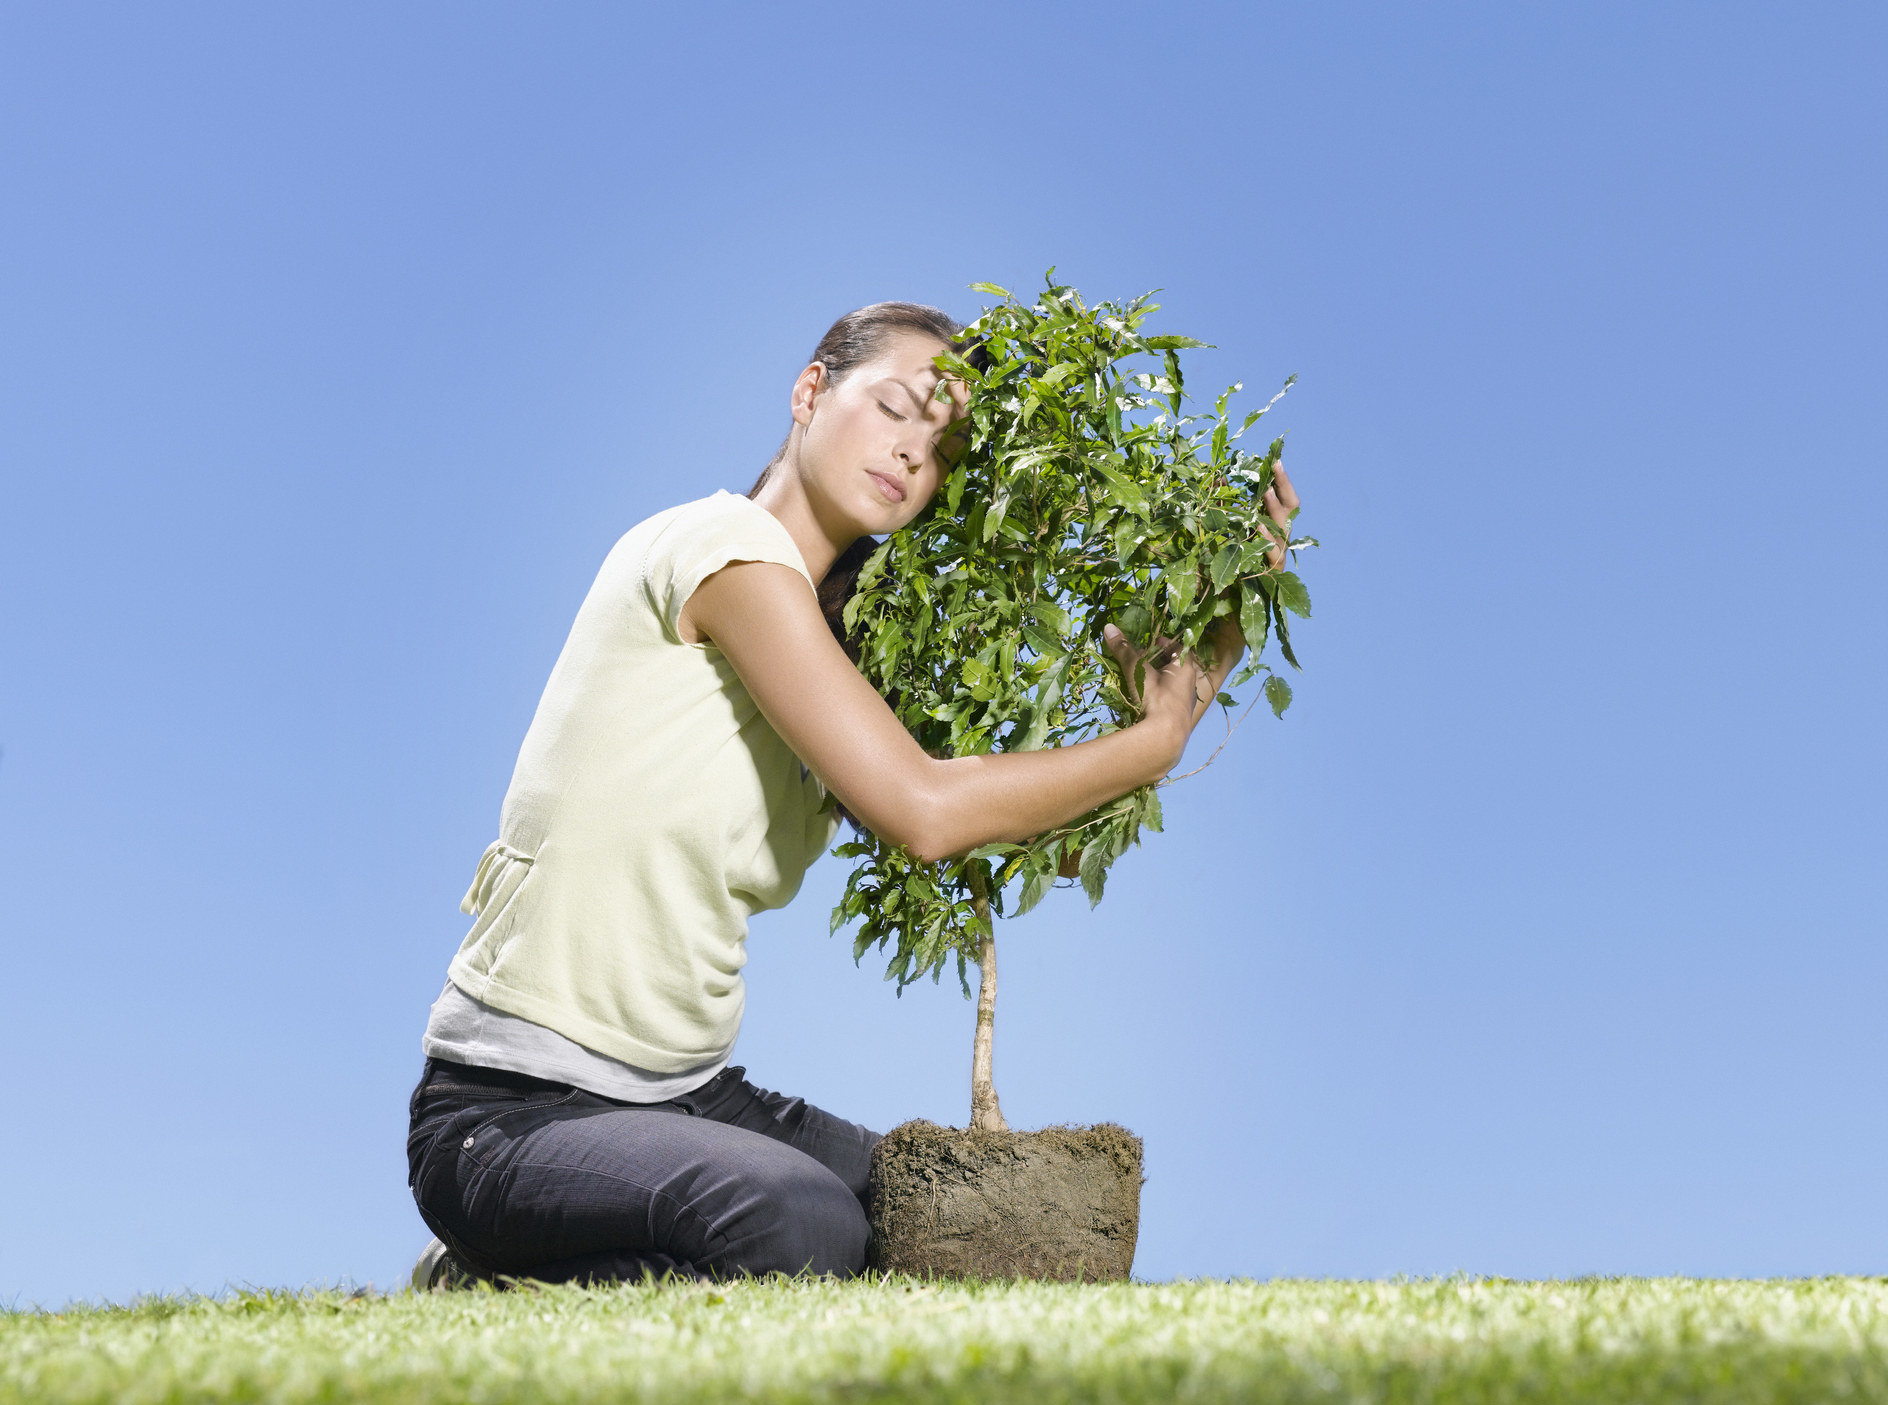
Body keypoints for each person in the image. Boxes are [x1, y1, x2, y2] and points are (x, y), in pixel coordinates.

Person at [406, 301, 1302, 1288]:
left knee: (958, 1218)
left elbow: (996, 835)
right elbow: (925, 810)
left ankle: (569, 1248)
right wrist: (1151, 743)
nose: (912, 453)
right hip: (514, 1113)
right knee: (798, 1227)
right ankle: (486, 1272)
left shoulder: (833, 662)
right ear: (808, 391)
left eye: (940, 448)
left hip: (686, 1099)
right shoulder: (724, 549)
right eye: (893, 408)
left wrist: (1215, 619)